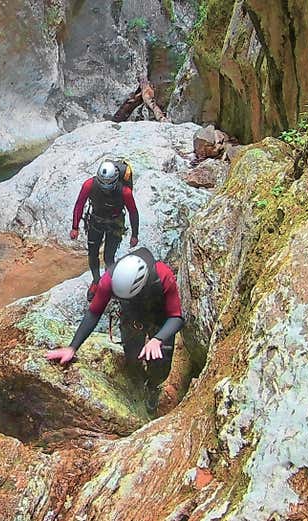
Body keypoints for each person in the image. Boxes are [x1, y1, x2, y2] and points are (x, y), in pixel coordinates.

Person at [45, 247, 184, 414]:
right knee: (132, 357)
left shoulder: (163, 275)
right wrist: (72, 347)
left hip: (161, 318)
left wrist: (158, 338)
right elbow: (94, 312)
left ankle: (153, 386)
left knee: (161, 364)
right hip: (132, 318)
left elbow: (176, 317)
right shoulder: (109, 280)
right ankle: (138, 380)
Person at [70, 160, 139, 301]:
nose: (106, 188)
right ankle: (96, 281)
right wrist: (75, 227)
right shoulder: (89, 185)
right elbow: (79, 204)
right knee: (92, 253)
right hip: (96, 220)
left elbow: (133, 212)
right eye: (103, 185)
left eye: (109, 185)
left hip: (115, 223)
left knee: (109, 256)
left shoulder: (125, 192)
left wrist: (135, 234)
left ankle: (109, 282)